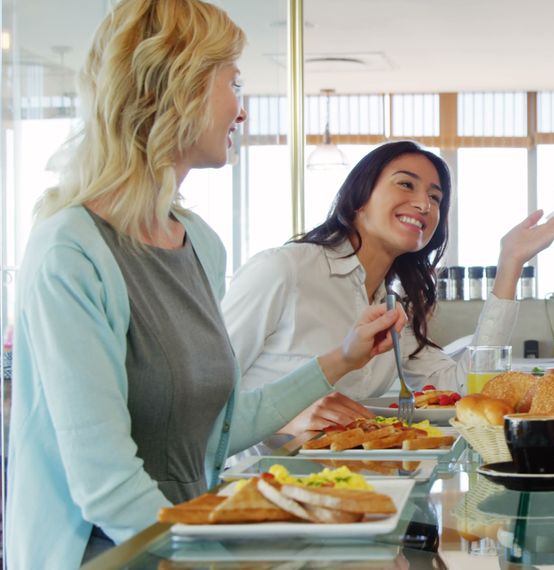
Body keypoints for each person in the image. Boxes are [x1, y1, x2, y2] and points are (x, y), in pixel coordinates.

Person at [3, 1, 406, 566]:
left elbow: (220, 425)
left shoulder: (197, 241)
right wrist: (221, 558)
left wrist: (342, 358)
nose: (242, 112)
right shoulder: (70, 250)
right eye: (233, 82)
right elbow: (105, 482)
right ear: (176, 87)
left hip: (185, 542)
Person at [222, 140, 554, 438]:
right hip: (253, 484)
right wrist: (282, 418)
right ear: (360, 197)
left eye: (436, 198)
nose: (424, 204)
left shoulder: (392, 306)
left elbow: (466, 385)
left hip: (356, 484)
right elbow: (199, 395)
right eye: (406, 185)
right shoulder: (284, 269)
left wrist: (510, 263)